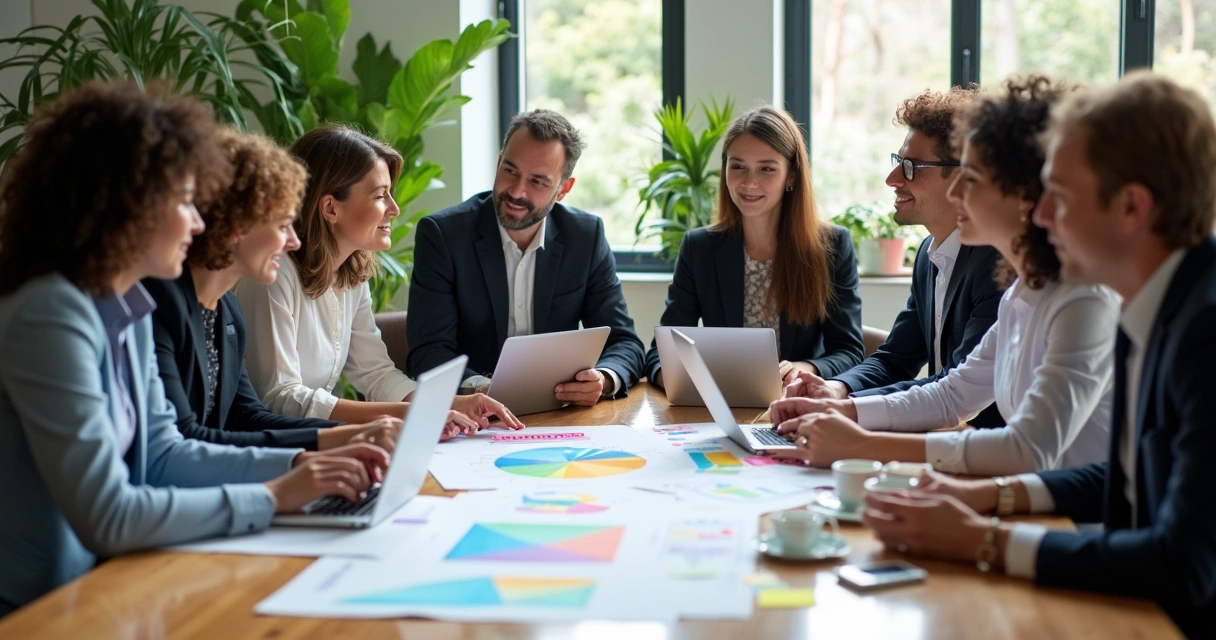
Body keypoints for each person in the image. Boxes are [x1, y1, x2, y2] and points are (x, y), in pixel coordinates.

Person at [0, 82, 388, 616]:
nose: (201, 222)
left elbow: (164, 454)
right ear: (127, 204)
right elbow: (110, 514)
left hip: (108, 585)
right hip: (39, 609)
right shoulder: (51, 314)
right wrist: (276, 495)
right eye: (185, 201)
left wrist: (302, 465)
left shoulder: (127, 303)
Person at [860, 72, 1216, 639]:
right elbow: (1125, 479)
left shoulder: (1201, 331)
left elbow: (1183, 565)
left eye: (1061, 197)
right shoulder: (1151, 302)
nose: (1042, 217)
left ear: (1131, 207)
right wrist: (988, 497)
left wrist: (984, 538)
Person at [770, 76, 1117, 477]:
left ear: (1023, 193)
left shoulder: (1081, 298)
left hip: (1069, 520)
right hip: (1023, 495)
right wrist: (840, 407)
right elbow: (953, 395)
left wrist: (860, 442)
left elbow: (1027, 449)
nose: (956, 195)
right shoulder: (1025, 291)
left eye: (971, 179)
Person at [235, 125, 523, 432]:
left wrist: (449, 404)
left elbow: (376, 374)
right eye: (380, 196)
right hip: (276, 447)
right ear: (330, 207)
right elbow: (280, 397)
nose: (394, 209)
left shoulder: (351, 274)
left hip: (319, 441)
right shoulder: (273, 275)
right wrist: (413, 414)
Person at [144, 128, 407, 452]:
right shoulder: (160, 305)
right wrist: (304, 465)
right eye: (283, 224)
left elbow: (248, 418)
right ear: (239, 223)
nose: (293, 240)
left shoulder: (226, 310)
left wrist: (355, 438)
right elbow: (183, 444)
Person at [785, 88, 1006, 429]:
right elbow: (895, 359)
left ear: (964, 174)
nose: (892, 179)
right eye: (898, 162)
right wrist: (836, 388)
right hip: (947, 440)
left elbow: (955, 390)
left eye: (911, 167)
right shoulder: (928, 254)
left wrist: (849, 409)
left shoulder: (999, 264)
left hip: (985, 451)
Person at [406, 109, 645, 406]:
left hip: (559, 414)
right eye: (510, 171)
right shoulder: (443, 235)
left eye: (538, 182)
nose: (517, 191)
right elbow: (427, 352)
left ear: (563, 189)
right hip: (472, 414)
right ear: (498, 162)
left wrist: (604, 378)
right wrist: (482, 388)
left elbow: (625, 343)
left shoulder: (585, 236)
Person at [642, 106, 864, 388]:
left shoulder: (831, 247)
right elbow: (661, 351)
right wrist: (678, 380)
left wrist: (803, 368)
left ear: (792, 176)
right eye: (738, 166)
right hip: (722, 405)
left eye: (767, 169)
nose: (749, 182)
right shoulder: (699, 248)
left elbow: (850, 352)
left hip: (799, 405)